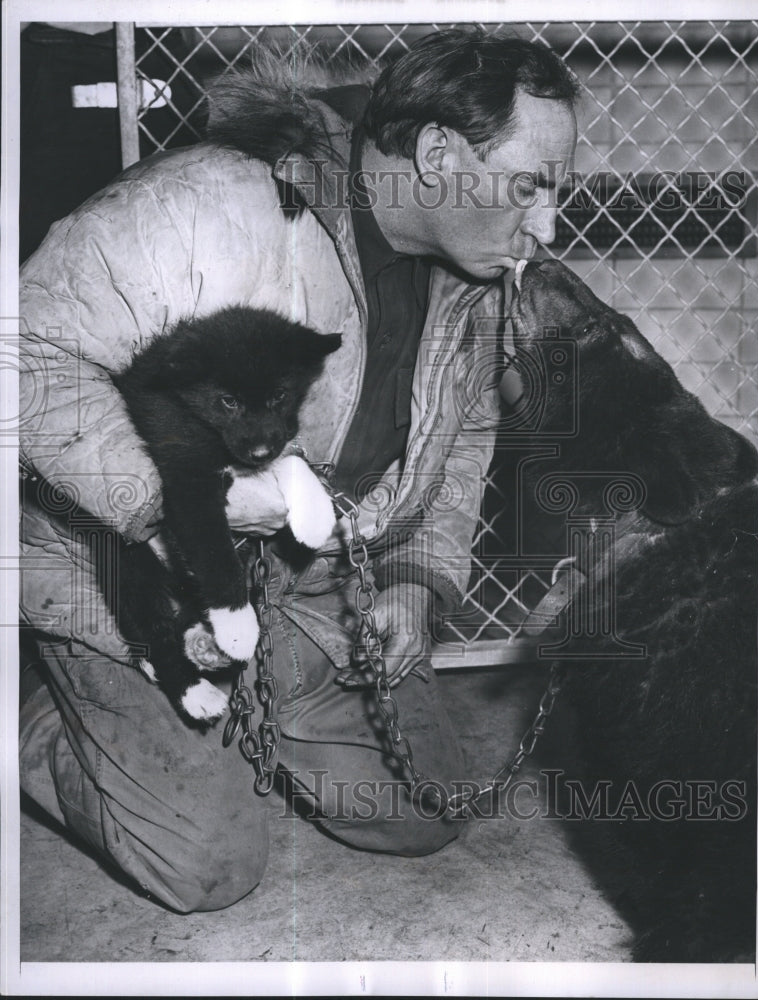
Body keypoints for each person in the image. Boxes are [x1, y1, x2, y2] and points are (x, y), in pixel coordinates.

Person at [19, 28, 578, 912]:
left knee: (422, 813)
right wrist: (187, 499)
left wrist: (414, 578)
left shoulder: (475, 272)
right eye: (528, 186)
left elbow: (467, 429)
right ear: (438, 154)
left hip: (307, 584)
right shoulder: (208, 204)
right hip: (136, 571)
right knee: (207, 867)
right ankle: (51, 717)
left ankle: (250, 702)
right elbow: (25, 359)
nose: (546, 227)